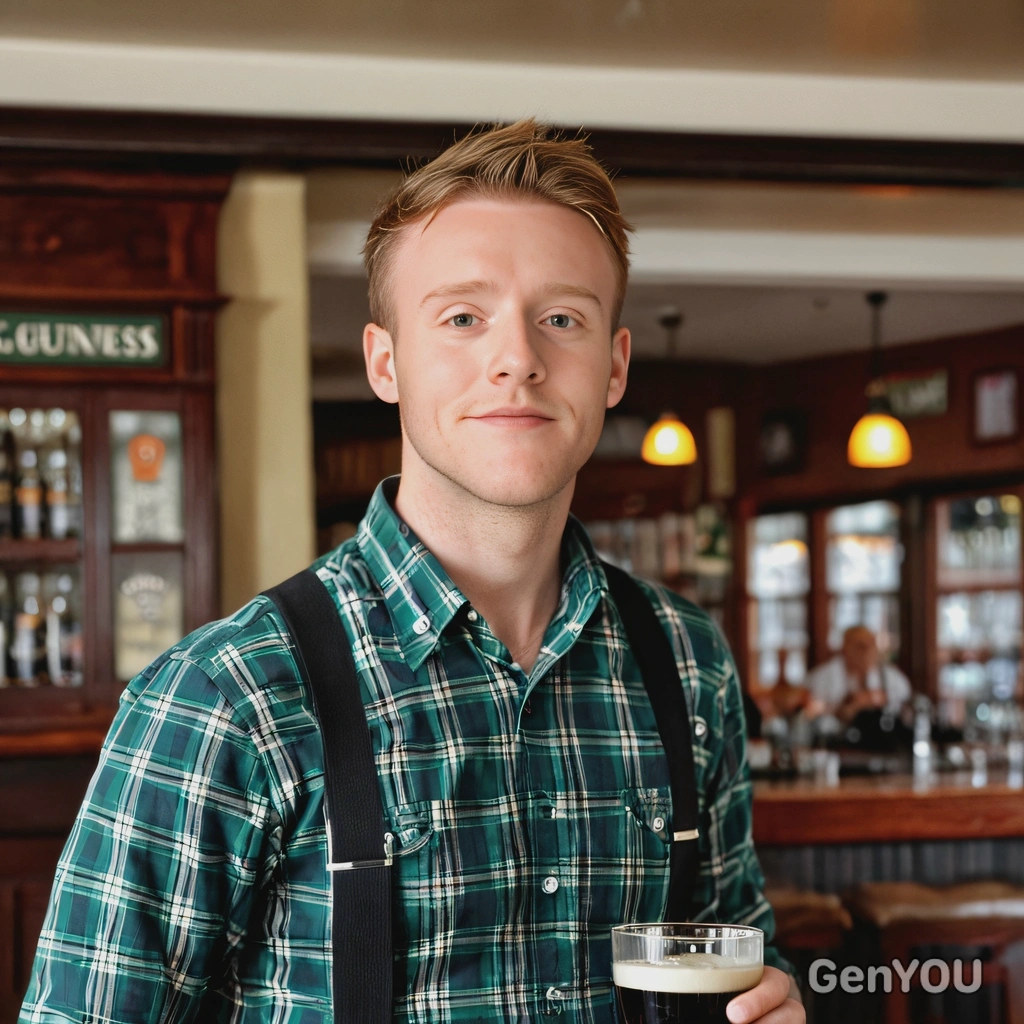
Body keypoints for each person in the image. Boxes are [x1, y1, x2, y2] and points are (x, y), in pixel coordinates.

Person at [19, 121, 801, 1024]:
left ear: (614, 365)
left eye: (562, 319)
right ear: (385, 362)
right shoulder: (227, 692)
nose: (518, 359)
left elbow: (739, 946)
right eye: (463, 318)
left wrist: (771, 999)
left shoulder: (686, 659)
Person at [805, 625, 911, 724]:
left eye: (871, 644)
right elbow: (812, 715)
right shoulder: (819, 679)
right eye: (860, 646)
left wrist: (876, 698)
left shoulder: (893, 678)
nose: (867, 651)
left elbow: (905, 708)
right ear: (844, 648)